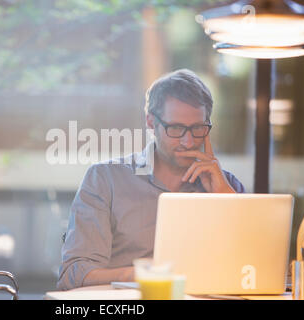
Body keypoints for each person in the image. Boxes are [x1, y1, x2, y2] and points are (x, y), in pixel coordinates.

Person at [56, 69, 245, 290]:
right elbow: (73, 276)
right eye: (175, 128)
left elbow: (252, 266)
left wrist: (224, 197)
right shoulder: (106, 179)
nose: (188, 141)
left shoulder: (226, 185)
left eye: (198, 129)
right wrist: (142, 275)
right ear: (150, 122)